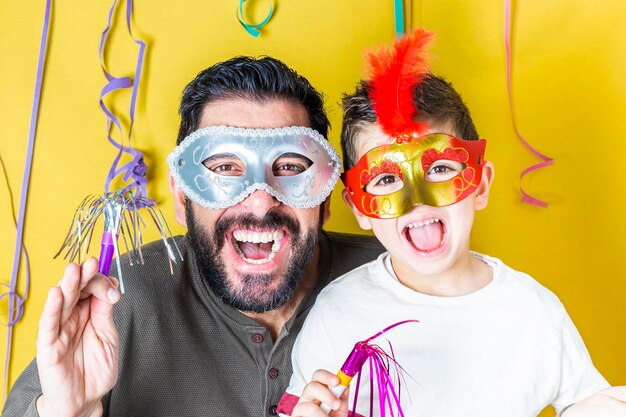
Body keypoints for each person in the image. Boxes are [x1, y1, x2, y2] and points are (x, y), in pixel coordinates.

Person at [2, 56, 384, 417]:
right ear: (182, 198)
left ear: (325, 199)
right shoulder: (115, 301)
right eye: (224, 167)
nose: (260, 201)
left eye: (288, 166)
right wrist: (67, 410)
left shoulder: (400, 279)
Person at [278, 30, 626, 417]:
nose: (418, 199)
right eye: (386, 179)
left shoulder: (535, 312)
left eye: (440, 168)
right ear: (360, 208)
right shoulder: (337, 314)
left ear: (480, 183)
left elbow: (589, 404)